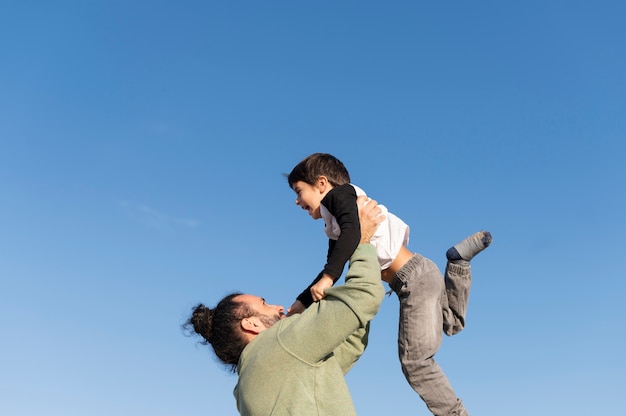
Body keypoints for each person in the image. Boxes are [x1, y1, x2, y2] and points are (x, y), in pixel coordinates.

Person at [286, 152, 492, 416]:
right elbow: (332, 262)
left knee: (415, 361)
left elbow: (351, 236)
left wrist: (328, 278)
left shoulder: (341, 197)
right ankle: (458, 264)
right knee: (451, 323)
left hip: (413, 280)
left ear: (322, 183)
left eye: (299, 191)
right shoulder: (336, 218)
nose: (296, 200)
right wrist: (301, 302)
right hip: (418, 275)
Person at [184, 197, 386, 416]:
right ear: (250, 323)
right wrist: (363, 242)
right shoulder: (279, 343)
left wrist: (330, 307)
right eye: (264, 304)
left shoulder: (244, 389)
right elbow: (364, 296)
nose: (278, 307)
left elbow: (346, 348)